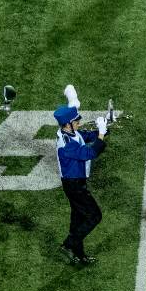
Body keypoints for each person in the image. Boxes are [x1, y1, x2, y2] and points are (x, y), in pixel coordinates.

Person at [52, 86, 110, 265]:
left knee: (77, 218)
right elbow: (89, 153)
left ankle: (79, 255)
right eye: (75, 121)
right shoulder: (67, 144)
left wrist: (105, 128)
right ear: (67, 124)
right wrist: (100, 134)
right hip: (74, 185)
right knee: (94, 216)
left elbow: (85, 135)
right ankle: (68, 245)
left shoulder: (70, 133)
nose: (79, 123)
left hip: (75, 182)